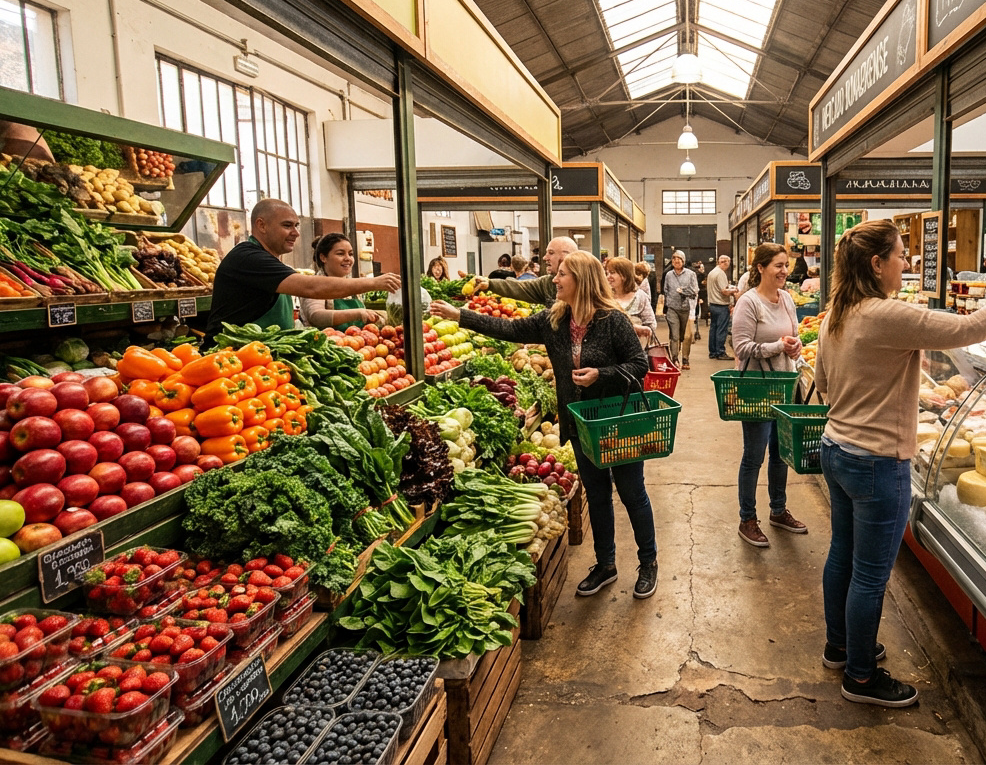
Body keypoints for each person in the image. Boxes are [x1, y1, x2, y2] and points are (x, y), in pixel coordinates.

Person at [814, 219, 986, 707]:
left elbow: (824, 384)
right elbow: (970, 329)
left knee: (842, 554)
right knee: (870, 575)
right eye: (901, 254)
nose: (907, 262)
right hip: (878, 461)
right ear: (877, 264)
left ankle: (841, 646)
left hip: (836, 446)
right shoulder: (887, 313)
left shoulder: (837, 311)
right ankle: (860, 677)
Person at [429, 252, 657, 598]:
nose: (554, 279)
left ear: (581, 280)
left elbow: (639, 364)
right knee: (596, 494)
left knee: (631, 493)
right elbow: (506, 328)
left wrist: (601, 374)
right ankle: (606, 564)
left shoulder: (613, 320)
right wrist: (459, 315)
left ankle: (648, 562)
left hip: (615, 420)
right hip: (580, 422)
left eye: (562, 274)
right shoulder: (555, 320)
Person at [204, 199, 398, 346]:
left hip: (258, 359)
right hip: (230, 360)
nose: (296, 232)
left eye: (296, 226)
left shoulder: (270, 261)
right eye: (287, 225)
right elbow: (312, 288)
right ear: (261, 225)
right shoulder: (248, 258)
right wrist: (373, 282)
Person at [733, 243, 806, 548]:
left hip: (785, 385)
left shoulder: (787, 298)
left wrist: (796, 345)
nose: (784, 271)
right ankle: (747, 518)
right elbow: (740, 348)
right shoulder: (749, 303)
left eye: (786, 265)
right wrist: (778, 346)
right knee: (754, 455)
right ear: (760, 267)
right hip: (756, 389)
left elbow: (795, 333)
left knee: (780, 452)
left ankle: (778, 510)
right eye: (778, 265)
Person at [300, 234, 385, 330]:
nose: (348, 258)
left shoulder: (352, 286)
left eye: (351, 254)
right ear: (323, 257)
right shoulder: (314, 284)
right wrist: (357, 313)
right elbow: (316, 316)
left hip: (357, 342)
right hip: (326, 343)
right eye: (340, 254)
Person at [469, 236, 577, 306]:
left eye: (551, 253)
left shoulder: (587, 284)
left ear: (566, 256)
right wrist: (489, 283)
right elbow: (520, 288)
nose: (545, 258)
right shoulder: (547, 283)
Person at [605, 257, 655, 339]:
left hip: (635, 347)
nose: (608, 277)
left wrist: (641, 331)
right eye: (607, 273)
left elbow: (650, 324)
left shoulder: (640, 296)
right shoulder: (605, 297)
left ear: (624, 275)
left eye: (612, 273)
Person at [663, 251, 697, 369]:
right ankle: (675, 358)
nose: (676, 261)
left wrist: (683, 292)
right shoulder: (668, 275)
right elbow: (665, 290)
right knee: (675, 335)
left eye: (679, 259)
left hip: (686, 308)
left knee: (687, 336)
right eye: (674, 259)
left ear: (683, 261)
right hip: (672, 308)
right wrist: (666, 306)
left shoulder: (691, 274)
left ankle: (685, 358)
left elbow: (695, 291)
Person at [706, 255, 738, 360]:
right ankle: (720, 352)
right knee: (721, 329)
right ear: (725, 262)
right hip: (721, 305)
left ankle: (713, 352)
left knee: (713, 329)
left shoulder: (712, 272)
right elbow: (724, 291)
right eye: (728, 263)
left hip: (712, 305)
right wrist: (735, 291)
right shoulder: (720, 274)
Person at [692, 261, 708, 341]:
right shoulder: (699, 276)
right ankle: (695, 332)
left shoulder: (701, 276)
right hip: (698, 297)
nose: (703, 269)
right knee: (696, 314)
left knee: (696, 314)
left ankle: (696, 332)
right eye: (701, 268)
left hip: (700, 297)